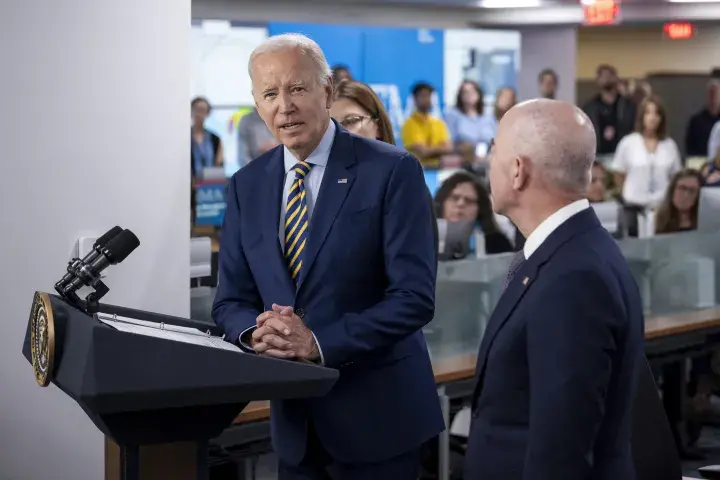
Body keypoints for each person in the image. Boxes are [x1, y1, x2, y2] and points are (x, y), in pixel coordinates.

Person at [212, 33, 444, 480]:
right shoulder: (246, 185)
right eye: (270, 93)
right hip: (297, 430)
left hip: (380, 424)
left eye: (297, 88)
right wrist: (256, 333)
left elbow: (414, 298)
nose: (285, 106)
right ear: (257, 104)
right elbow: (230, 300)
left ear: (327, 91)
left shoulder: (393, 170)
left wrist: (317, 343)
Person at [464, 98, 644, 480]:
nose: (487, 164)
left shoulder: (574, 277)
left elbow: (562, 447)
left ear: (518, 171)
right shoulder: (572, 251)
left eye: (494, 150)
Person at [611, 95, 682, 237]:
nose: (652, 117)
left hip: (661, 210)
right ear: (642, 116)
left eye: (656, 113)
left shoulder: (669, 145)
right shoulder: (628, 143)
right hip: (632, 209)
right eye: (648, 113)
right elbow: (619, 174)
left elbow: (676, 177)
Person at [433, 171, 513, 255]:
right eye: (455, 198)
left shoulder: (497, 243)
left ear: (480, 209)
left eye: (469, 201)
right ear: (442, 202)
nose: (461, 204)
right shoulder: (424, 238)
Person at [401, 82, 453, 168]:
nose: (426, 99)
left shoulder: (439, 123)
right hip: (417, 169)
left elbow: (448, 149)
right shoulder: (409, 124)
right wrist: (439, 149)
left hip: (438, 169)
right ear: (415, 98)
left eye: (429, 96)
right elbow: (422, 152)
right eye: (423, 96)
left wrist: (430, 150)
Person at [190, 96, 223, 177]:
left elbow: (219, 164)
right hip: (188, 185)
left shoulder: (215, 138)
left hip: (209, 184)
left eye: (202, 110)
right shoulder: (185, 137)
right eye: (196, 109)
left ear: (208, 113)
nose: (199, 114)